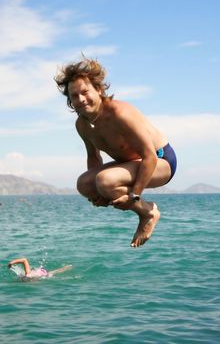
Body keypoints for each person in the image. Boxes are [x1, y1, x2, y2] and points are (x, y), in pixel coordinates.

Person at [54, 56, 177, 248]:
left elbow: (149, 155)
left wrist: (134, 195)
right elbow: (94, 157)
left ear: (99, 90)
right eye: (74, 96)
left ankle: (148, 212)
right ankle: (128, 200)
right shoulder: (82, 125)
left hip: (161, 161)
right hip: (131, 164)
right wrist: (97, 194)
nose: (81, 99)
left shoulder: (120, 114)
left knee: (106, 180)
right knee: (84, 185)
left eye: (85, 92)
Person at [8, 258, 72, 280]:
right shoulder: (29, 274)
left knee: (54, 272)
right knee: (55, 272)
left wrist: (12, 262)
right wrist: (11, 263)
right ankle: (67, 267)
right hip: (41, 272)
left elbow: (24, 260)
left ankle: (67, 267)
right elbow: (24, 260)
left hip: (42, 273)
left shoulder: (28, 274)